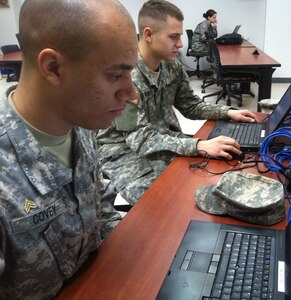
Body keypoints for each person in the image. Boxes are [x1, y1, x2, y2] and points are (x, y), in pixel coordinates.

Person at [0, 0, 138, 298]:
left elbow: (100, 213)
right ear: (53, 68)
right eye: (115, 75)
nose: (131, 93)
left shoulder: (79, 123)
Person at [96, 0, 256, 205]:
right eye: (174, 37)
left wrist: (227, 112)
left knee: (213, 175)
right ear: (148, 35)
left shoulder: (172, 65)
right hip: (123, 151)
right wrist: (198, 145)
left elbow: (191, 106)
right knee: (168, 202)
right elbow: (141, 139)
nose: (180, 43)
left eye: (180, 36)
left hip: (163, 138)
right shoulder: (125, 76)